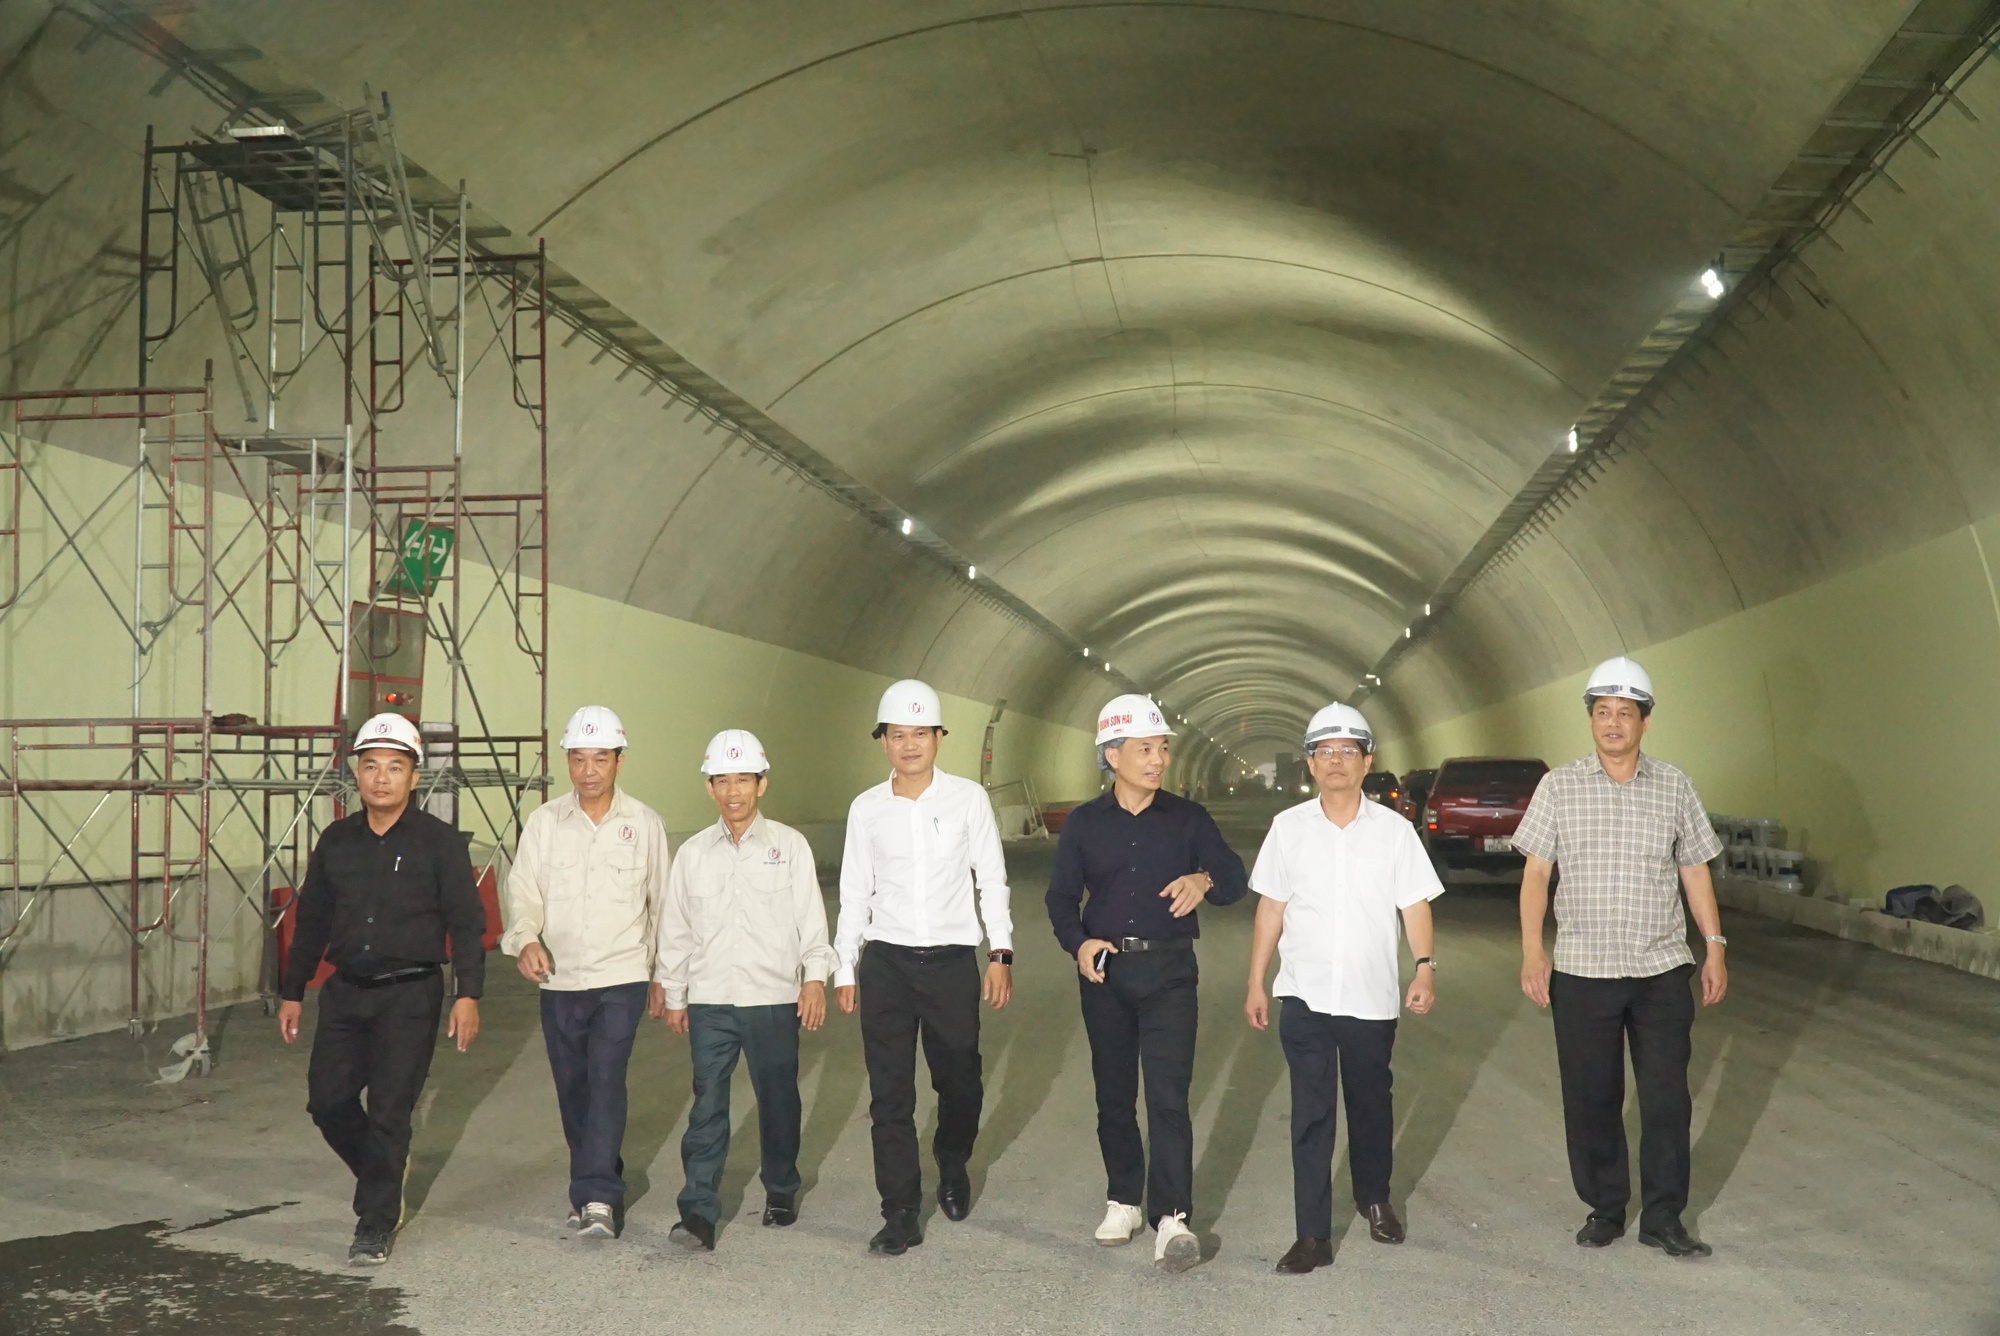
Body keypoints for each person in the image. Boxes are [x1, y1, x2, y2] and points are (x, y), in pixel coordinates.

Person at [1512, 656, 1727, 1259]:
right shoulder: (1558, 786)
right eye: (1602, 712)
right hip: (1582, 972)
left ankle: (1663, 1216)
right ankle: (1605, 1207)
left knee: (1666, 1098)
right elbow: (1536, 876)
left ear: (1644, 721)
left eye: (1624, 713)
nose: (1612, 723)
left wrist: (1714, 947)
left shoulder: (1675, 786)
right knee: (1591, 1096)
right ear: (1590, 719)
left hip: (1661, 971)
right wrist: (1534, 952)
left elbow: (1695, 871)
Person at [1045, 693, 1246, 1272]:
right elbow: (1060, 898)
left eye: (1162, 749)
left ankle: (1171, 1217)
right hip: (1106, 973)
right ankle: (1123, 1199)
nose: (1157, 760)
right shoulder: (1085, 824)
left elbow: (1235, 878)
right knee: (1114, 1095)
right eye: (1144, 749)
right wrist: (1079, 942)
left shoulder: (1188, 819)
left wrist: (1204, 878)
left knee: (1167, 1096)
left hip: (1170, 974)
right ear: (1112, 754)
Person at [276, 712, 486, 1265]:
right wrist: (292, 989)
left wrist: (469, 994)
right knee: (328, 1102)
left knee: (391, 1111)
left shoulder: (439, 844)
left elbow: (466, 922)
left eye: (395, 767)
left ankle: (374, 1222)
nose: (382, 778)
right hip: (346, 992)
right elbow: (313, 920)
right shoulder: (336, 841)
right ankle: (384, 1173)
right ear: (357, 774)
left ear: (415, 777)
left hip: (411, 996)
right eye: (371, 766)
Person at [1243, 703, 1441, 1275]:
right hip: (1303, 994)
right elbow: (1271, 909)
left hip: (1370, 996)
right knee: (1310, 1112)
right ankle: (1312, 1236)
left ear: (1367, 761)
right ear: (1310, 763)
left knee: (1371, 1103)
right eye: (1325, 752)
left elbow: (1415, 904)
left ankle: (1374, 1199)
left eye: (1347, 752)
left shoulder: (1395, 832)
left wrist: (1424, 965)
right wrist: (1257, 980)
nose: (1336, 762)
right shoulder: (1288, 828)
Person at [833, 679, 1014, 1256]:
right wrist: (844, 966)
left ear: (939, 738)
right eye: (896, 734)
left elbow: (991, 878)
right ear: (882, 741)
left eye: (920, 734)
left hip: (951, 962)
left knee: (959, 1077)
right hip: (886, 963)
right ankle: (901, 1212)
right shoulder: (866, 809)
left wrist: (1000, 953)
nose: (909, 745)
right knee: (890, 1095)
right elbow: (854, 890)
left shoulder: (968, 800)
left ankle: (952, 1158)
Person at [654, 729, 835, 1251]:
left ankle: (780, 1188)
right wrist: (675, 993)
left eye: (744, 780)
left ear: (762, 784)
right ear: (709, 788)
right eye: (722, 781)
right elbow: (677, 928)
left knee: (778, 1099)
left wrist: (815, 980)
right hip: (711, 998)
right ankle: (697, 1212)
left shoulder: (789, 847)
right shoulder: (691, 854)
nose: (733, 791)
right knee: (708, 1103)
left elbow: (811, 922)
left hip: (773, 998)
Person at [502, 705, 670, 1241]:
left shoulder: (644, 824)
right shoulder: (546, 823)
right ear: (567, 763)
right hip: (560, 980)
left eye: (601, 758)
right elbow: (523, 890)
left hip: (622, 976)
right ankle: (596, 1174)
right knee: (573, 1087)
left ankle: (596, 1196)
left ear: (620, 760)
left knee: (605, 1078)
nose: (589, 770)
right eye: (579, 759)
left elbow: (663, 902)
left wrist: (666, 973)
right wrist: (526, 939)